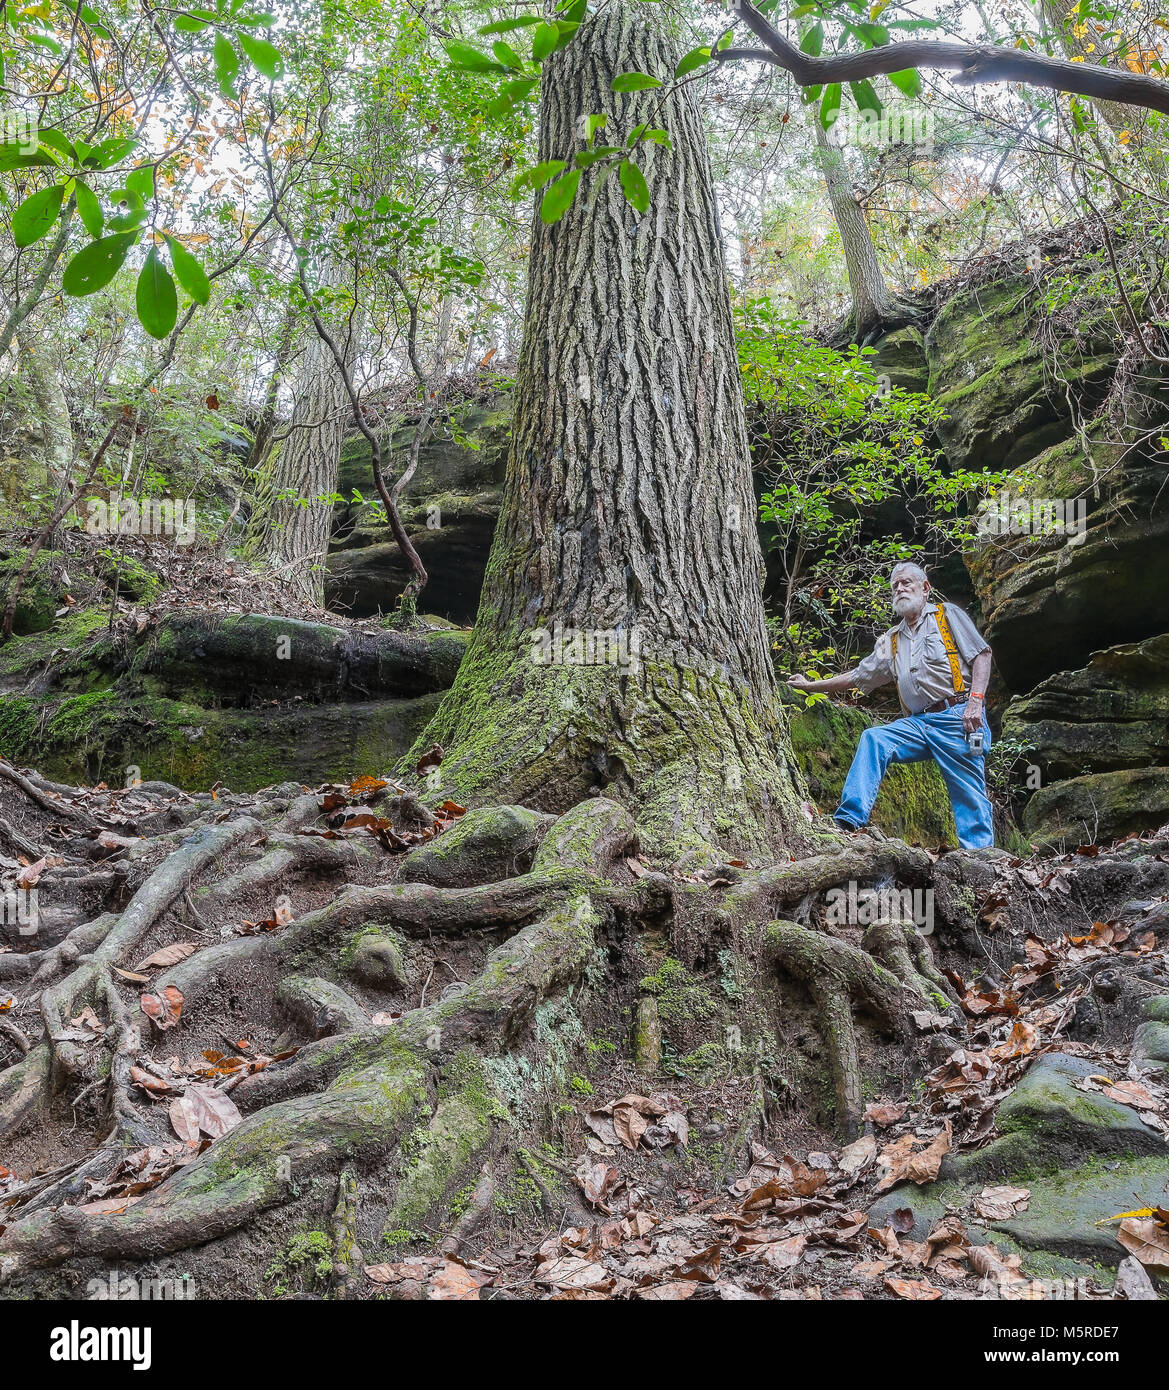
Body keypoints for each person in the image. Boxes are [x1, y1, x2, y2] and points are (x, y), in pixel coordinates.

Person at [787, 562, 995, 849]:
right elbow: (859, 676)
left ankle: (980, 858)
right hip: (918, 724)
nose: (900, 588)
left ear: (925, 588)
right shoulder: (892, 640)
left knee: (968, 791)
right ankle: (848, 820)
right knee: (875, 738)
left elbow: (982, 654)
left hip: (958, 717)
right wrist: (811, 685)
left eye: (907, 582)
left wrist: (975, 702)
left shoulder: (947, 616)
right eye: (895, 585)